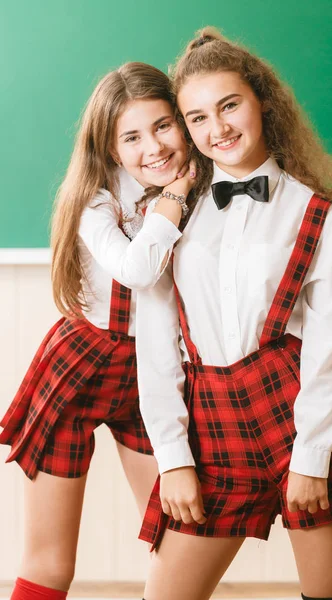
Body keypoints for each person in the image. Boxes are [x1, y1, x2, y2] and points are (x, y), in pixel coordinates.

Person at [136, 28, 332, 600]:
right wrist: (173, 457)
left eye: (229, 105)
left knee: (329, 595)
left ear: (262, 101)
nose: (219, 128)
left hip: (301, 411)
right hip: (210, 421)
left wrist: (311, 455)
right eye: (198, 117)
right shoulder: (170, 215)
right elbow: (156, 350)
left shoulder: (314, 212)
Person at [0, 61, 197, 600]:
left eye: (163, 126)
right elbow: (136, 269)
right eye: (130, 137)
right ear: (110, 149)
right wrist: (174, 198)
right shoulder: (97, 199)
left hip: (154, 371)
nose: (152, 147)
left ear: (184, 123)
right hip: (81, 363)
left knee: (177, 536)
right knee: (51, 560)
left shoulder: (206, 187)